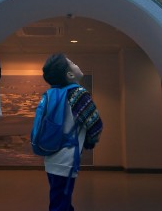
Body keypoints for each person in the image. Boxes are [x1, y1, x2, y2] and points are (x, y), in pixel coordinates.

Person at [41, 53, 103, 211]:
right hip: (66, 160)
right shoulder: (78, 93)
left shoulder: (51, 94)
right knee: (61, 204)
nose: (77, 65)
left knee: (59, 199)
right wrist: (90, 142)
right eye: (73, 63)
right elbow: (95, 124)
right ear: (69, 74)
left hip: (51, 158)